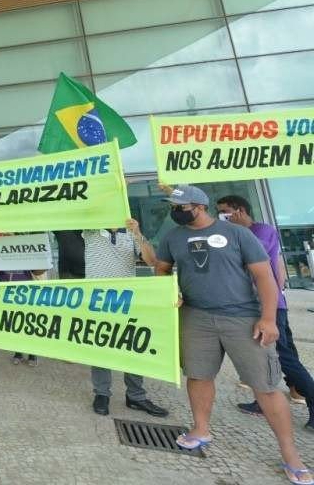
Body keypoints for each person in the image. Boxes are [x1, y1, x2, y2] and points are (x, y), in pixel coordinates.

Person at [153, 185, 311, 484]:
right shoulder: (173, 237)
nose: (175, 212)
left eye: (180, 207)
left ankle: (291, 455)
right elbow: (161, 269)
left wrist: (268, 319)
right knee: (198, 375)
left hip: (243, 318)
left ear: (200, 206)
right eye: (172, 207)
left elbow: (264, 276)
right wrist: (169, 290)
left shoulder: (238, 234)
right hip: (196, 317)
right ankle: (201, 429)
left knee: (265, 385)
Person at [217, 195, 314, 427]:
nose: (221, 216)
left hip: (270, 308)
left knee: (284, 358)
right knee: (267, 358)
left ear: (240, 211)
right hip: (259, 305)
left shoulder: (262, 231)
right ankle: (264, 401)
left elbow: (249, 257)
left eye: (224, 212)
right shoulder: (242, 232)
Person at [81, 221, 168, 417]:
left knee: (132, 346)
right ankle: (102, 394)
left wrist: (137, 233)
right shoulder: (91, 228)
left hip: (126, 299)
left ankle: (136, 396)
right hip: (98, 299)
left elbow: (151, 261)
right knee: (100, 346)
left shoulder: (130, 232)